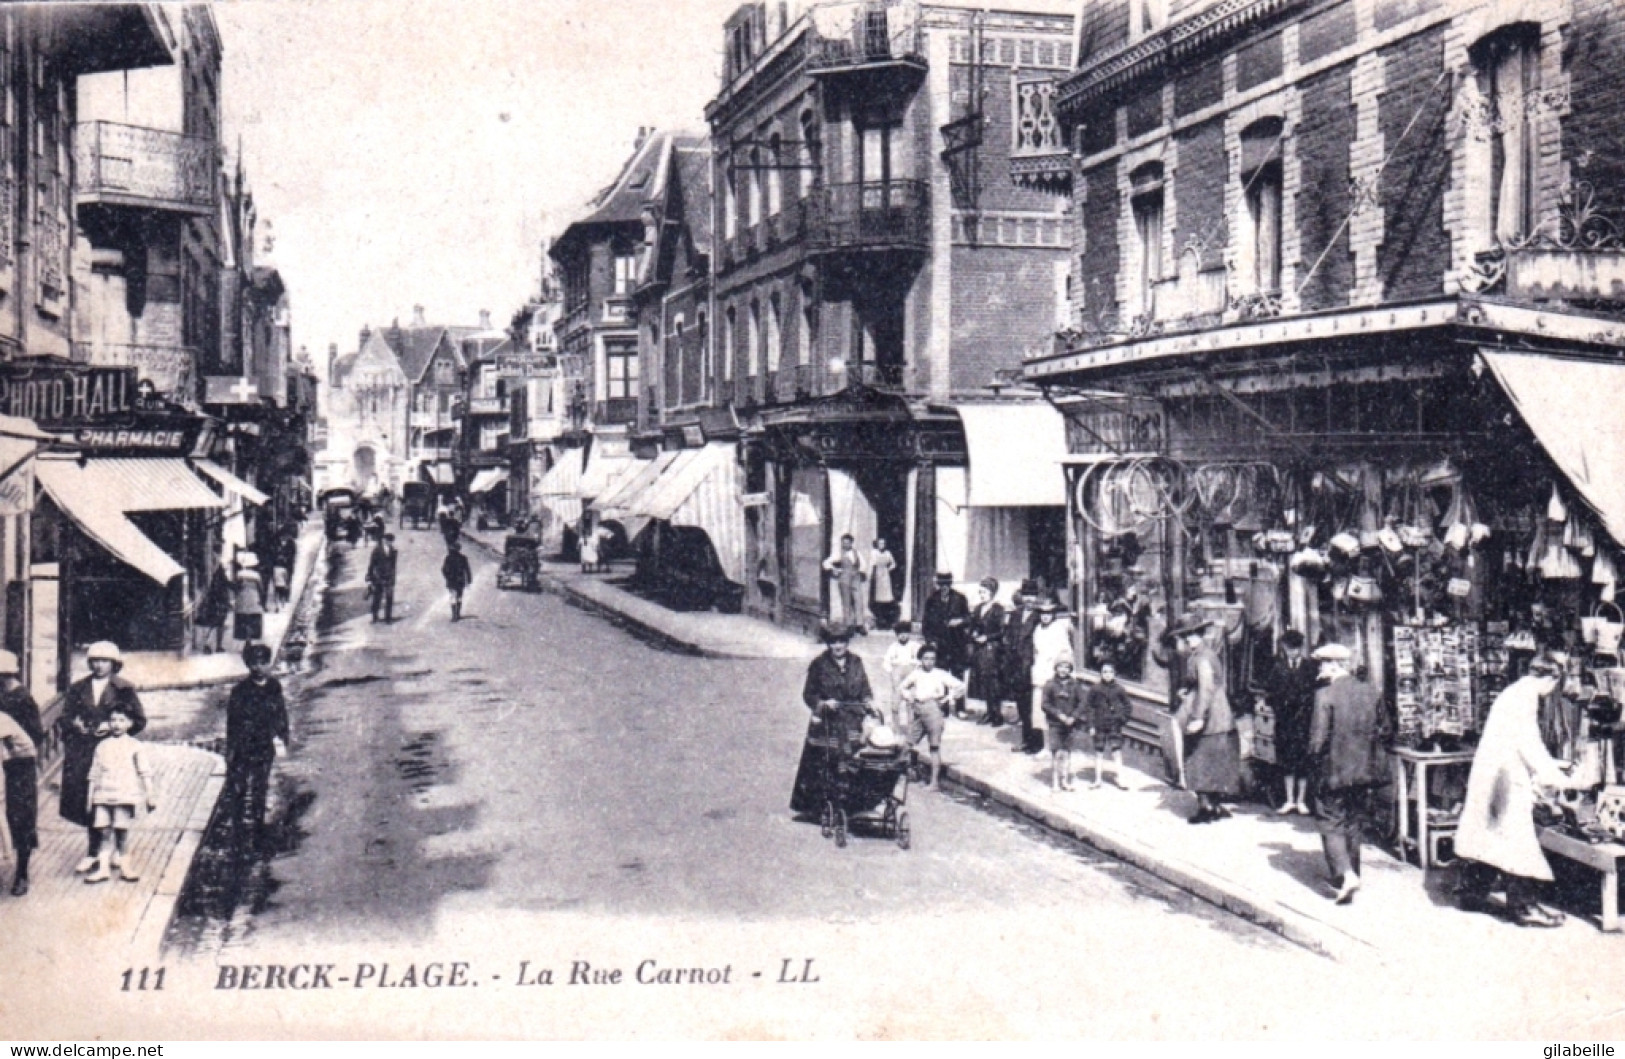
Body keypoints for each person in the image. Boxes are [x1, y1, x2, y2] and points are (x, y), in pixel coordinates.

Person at [1456, 652, 1588, 927]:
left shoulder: (1513, 692)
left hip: (1494, 773)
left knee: (1490, 835)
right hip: (1504, 778)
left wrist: (1549, 768)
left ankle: (1471, 894)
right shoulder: (1525, 698)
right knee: (1518, 838)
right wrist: (1559, 778)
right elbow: (1529, 744)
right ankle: (1524, 907)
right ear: (1551, 678)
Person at [1306, 643, 1388, 904]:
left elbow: (1317, 740)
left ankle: (1344, 875)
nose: (1320, 669)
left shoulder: (1325, 695)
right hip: (1365, 770)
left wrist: (1311, 760)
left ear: (1333, 665)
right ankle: (1352, 873)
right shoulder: (1371, 692)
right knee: (1354, 821)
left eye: (1322, 664)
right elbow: (1385, 730)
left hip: (1333, 771)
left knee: (1330, 820)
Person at [59, 642, 146, 874]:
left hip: (114, 754)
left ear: (114, 664)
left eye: (104, 661)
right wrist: (74, 724)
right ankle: (93, 851)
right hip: (84, 751)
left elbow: (139, 720)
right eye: (95, 660)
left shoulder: (124, 688)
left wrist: (113, 727)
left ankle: (118, 850)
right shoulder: (78, 688)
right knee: (91, 801)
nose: (99, 665)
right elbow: (65, 717)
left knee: (116, 801)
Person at [789, 624, 874, 817]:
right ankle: (820, 806)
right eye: (834, 642)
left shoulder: (856, 662)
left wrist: (869, 703)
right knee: (825, 761)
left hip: (852, 719)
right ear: (828, 644)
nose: (838, 646)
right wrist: (824, 703)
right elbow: (808, 694)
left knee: (856, 757)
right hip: (828, 721)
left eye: (842, 641)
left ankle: (853, 803)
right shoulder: (819, 664)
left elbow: (865, 689)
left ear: (847, 642)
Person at [222, 643, 290, 846]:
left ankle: (258, 825)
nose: (258, 667)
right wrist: (231, 748)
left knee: (261, 784)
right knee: (239, 786)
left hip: (264, 745)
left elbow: (280, 712)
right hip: (244, 745)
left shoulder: (274, 687)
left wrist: (282, 735)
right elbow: (232, 721)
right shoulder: (240, 691)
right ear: (248, 665)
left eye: (262, 663)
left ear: (268, 664)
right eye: (253, 663)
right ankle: (238, 828)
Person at [1174, 619, 1240, 824]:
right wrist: (1186, 687)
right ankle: (1215, 805)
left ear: (1200, 635)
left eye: (1193, 635)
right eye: (1187, 636)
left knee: (1199, 759)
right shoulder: (1206, 654)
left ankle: (1206, 808)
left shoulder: (1202, 657)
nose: (1189, 640)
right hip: (1221, 714)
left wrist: (1197, 718)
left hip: (1209, 715)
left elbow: (1206, 688)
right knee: (1217, 762)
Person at [83, 706, 154, 883]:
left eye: (121, 720)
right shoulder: (102, 746)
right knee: (103, 833)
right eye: (113, 720)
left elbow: (144, 772)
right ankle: (103, 869)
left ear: (130, 723)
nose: (116, 724)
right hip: (102, 796)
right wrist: (89, 798)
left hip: (124, 796)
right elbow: (94, 773)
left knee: (121, 833)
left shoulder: (135, 746)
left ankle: (126, 867)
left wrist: (150, 795)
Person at [1263, 630, 1318, 814]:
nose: (1292, 652)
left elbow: (1314, 694)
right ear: (1284, 648)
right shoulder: (1277, 668)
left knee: (1303, 761)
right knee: (1286, 761)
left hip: (1305, 722)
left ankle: (1301, 800)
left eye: (1295, 649)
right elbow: (1270, 692)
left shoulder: (1311, 668)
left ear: (1301, 648)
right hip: (1285, 722)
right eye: (1288, 649)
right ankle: (1289, 800)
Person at [897, 644, 966, 790]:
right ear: (920, 659)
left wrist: (948, 698)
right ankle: (904, 774)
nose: (929, 662)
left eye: (932, 659)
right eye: (926, 658)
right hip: (917, 710)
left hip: (934, 710)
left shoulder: (940, 674)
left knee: (934, 747)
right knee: (907, 743)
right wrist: (909, 696)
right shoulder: (916, 674)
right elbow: (902, 687)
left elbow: (960, 686)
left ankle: (934, 783)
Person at [0, 650, 40, 895]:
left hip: (19, 766)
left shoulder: (22, 698)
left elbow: (36, 734)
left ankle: (22, 872)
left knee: (21, 816)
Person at [1027, 600, 1073, 755]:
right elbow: (1035, 651)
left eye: (1048, 613)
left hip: (1054, 673)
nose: (1045, 617)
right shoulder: (1038, 629)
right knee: (1041, 710)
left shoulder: (1058, 629)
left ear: (1053, 614)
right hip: (1040, 672)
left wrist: (1063, 672)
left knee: (1055, 711)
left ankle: (1057, 746)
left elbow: (1065, 651)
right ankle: (1045, 746)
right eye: (1043, 614)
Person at [998, 583, 1042, 731]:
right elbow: (1009, 637)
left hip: (1032, 664)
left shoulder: (1040, 615)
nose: (1029, 599)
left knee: (1033, 705)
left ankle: (1034, 741)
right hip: (1016, 665)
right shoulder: (1016, 614)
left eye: (1033, 595)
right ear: (1022, 597)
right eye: (1026, 595)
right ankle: (1026, 739)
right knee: (1021, 702)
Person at [1043, 657, 1088, 791]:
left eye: (1067, 667)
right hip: (1055, 723)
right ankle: (1055, 781)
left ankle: (1065, 780)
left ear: (1070, 669)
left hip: (1070, 724)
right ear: (1056, 668)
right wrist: (1059, 715)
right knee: (1056, 753)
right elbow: (1045, 704)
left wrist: (1074, 717)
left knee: (1067, 752)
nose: (1063, 670)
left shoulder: (1075, 685)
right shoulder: (1050, 685)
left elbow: (1082, 702)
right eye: (1060, 667)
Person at [965, 577, 1006, 723]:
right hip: (980, 650)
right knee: (984, 681)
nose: (981, 595)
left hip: (993, 649)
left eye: (984, 592)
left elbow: (1001, 631)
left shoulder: (998, 609)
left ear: (992, 592)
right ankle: (989, 711)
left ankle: (997, 714)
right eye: (980, 592)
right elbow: (972, 625)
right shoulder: (978, 608)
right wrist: (974, 633)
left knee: (994, 681)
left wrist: (987, 637)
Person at [1087, 661, 1132, 789]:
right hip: (1099, 724)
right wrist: (1091, 725)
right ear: (1100, 674)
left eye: (1110, 672)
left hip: (1114, 725)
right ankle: (1097, 779)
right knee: (1099, 751)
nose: (1107, 675)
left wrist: (1122, 719)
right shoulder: (1095, 689)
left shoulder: (1119, 689)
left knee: (1116, 751)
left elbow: (1128, 706)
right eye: (1104, 672)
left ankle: (1121, 779)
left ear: (1115, 674)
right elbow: (1089, 707)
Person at [919, 572, 970, 683]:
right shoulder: (931, 600)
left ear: (950, 585)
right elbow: (925, 624)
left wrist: (960, 620)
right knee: (940, 678)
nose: (944, 588)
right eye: (941, 585)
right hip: (939, 646)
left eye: (946, 585)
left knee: (957, 679)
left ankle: (958, 701)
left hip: (957, 645)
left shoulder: (960, 598)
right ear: (938, 585)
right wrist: (931, 641)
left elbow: (968, 618)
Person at [822, 533, 867, 633]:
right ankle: (849, 625)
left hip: (856, 578)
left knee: (859, 601)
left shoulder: (856, 552)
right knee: (846, 602)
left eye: (847, 543)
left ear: (851, 543)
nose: (845, 545)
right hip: (844, 579)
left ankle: (859, 625)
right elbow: (826, 563)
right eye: (843, 543)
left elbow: (863, 564)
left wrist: (860, 571)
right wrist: (835, 570)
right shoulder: (838, 553)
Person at [881, 621, 920, 724]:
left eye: (905, 633)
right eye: (900, 633)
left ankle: (911, 726)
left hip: (911, 675)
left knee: (911, 703)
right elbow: (886, 661)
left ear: (909, 633)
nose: (903, 636)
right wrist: (891, 672)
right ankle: (895, 727)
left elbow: (919, 660)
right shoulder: (893, 647)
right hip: (897, 676)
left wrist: (916, 670)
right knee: (895, 703)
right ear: (897, 635)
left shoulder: (914, 646)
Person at [196, 563, 233, 653]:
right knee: (219, 626)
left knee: (213, 626)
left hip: (214, 606)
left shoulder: (214, 580)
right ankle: (216, 646)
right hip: (220, 606)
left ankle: (208, 645)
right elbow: (231, 587)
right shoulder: (223, 580)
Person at [366, 533, 399, 623]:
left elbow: (393, 566)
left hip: (389, 577)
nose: (389, 543)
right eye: (388, 541)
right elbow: (372, 564)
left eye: (391, 541)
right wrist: (369, 577)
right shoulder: (376, 550)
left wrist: (393, 578)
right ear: (384, 540)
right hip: (378, 577)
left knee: (389, 597)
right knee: (377, 598)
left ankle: (388, 618)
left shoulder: (394, 551)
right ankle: (374, 617)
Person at [233, 553, 265, 645]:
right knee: (252, 618)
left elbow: (237, 587)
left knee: (244, 618)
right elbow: (261, 589)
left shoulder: (239, 574)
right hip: (254, 598)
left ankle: (246, 636)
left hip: (242, 599)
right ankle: (250, 637)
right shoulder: (256, 575)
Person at [868, 538, 899, 630]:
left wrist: (888, 569)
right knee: (878, 599)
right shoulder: (874, 553)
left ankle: (887, 623)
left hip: (885, 577)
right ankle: (880, 623)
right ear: (877, 544)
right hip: (877, 576)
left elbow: (894, 564)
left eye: (883, 543)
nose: (882, 545)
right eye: (880, 543)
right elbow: (871, 564)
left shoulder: (888, 553)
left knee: (887, 599)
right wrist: (870, 576)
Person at [443, 541, 473, 621]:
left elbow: (444, 569)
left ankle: (454, 615)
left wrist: (447, 577)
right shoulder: (463, 558)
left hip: (452, 580)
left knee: (453, 596)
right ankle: (457, 613)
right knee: (459, 596)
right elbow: (467, 570)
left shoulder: (448, 558)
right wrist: (469, 580)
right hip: (460, 580)